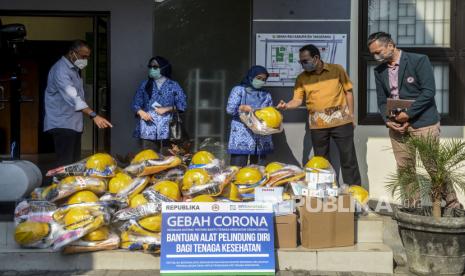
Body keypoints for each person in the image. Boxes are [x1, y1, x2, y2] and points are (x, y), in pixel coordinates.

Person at [368, 31, 460, 208]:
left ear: (390, 45)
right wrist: (388, 120)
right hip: (396, 125)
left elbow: (428, 92)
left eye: (378, 51)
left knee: (432, 164)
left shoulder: (418, 60)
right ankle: (412, 205)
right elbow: (381, 100)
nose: (375, 56)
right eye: (373, 53)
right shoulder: (379, 71)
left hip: (423, 122)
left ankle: (452, 202)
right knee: (405, 168)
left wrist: (408, 115)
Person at [277, 44, 362, 186]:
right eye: (301, 62)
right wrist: (286, 106)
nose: (303, 65)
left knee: (348, 159)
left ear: (316, 58)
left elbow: (348, 91)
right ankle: (326, 192)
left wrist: (352, 115)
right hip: (317, 125)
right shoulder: (302, 78)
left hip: (342, 122)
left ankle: (355, 193)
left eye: (305, 61)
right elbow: (297, 100)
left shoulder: (337, 70)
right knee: (321, 162)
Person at [44, 40, 112, 166]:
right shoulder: (61, 70)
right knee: (65, 164)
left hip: (72, 124)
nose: (85, 60)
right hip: (62, 124)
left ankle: (68, 184)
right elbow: (74, 98)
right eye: (83, 56)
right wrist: (94, 115)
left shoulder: (73, 70)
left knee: (73, 164)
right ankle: (60, 185)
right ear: (72, 53)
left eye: (87, 57)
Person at [132, 56, 187, 153]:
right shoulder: (145, 85)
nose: (151, 69)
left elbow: (182, 104)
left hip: (168, 130)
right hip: (148, 128)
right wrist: (141, 112)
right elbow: (136, 103)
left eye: (155, 67)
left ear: (163, 68)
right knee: (149, 158)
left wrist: (166, 109)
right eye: (150, 66)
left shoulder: (173, 85)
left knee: (167, 160)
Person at [226, 65, 274, 167]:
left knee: (258, 170)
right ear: (251, 77)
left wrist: (277, 109)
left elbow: (270, 113)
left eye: (264, 79)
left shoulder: (266, 94)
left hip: (261, 137)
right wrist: (242, 108)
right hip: (242, 135)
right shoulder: (239, 90)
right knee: (238, 168)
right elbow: (230, 109)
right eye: (258, 78)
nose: (261, 81)